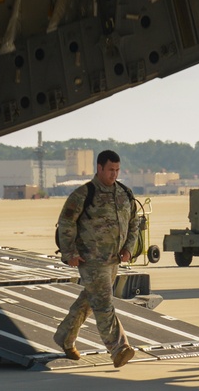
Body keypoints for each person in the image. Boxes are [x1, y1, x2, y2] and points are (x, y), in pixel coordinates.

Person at [53, 149, 138, 368]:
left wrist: (129, 248)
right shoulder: (83, 194)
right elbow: (66, 223)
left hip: (113, 260)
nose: (114, 174)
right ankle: (119, 348)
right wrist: (69, 252)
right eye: (110, 170)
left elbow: (134, 223)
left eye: (117, 170)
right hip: (91, 260)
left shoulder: (124, 193)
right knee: (103, 303)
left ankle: (65, 336)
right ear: (99, 168)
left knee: (90, 301)